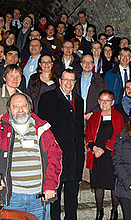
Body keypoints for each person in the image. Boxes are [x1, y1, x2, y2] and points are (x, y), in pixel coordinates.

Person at [0, 92, 62, 220]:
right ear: (9, 109)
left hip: (39, 196)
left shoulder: (42, 129)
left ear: (30, 108)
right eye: (15, 106)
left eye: (24, 106)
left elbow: (55, 157)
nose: (20, 110)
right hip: (12, 197)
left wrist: (50, 185)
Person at [38, 69, 85, 220]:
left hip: (74, 156)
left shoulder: (79, 100)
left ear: (75, 83)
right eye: (66, 80)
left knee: (72, 199)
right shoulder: (47, 98)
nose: (69, 83)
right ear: (59, 81)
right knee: (54, 198)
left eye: (72, 80)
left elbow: (79, 129)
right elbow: (44, 129)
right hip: (55, 156)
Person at [85, 90, 124, 220]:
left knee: (113, 185)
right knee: (98, 185)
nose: (104, 103)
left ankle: (114, 211)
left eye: (107, 100)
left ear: (112, 102)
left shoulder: (118, 116)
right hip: (97, 156)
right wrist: (94, 148)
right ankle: (99, 211)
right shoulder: (94, 117)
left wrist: (105, 148)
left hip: (112, 155)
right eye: (102, 100)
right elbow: (88, 135)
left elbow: (119, 135)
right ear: (98, 101)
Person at [74, 54, 108, 121]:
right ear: (81, 64)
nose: (87, 64)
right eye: (85, 62)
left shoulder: (100, 81)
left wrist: (93, 112)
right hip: (77, 116)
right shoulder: (74, 80)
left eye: (90, 62)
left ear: (93, 64)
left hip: (94, 117)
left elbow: (105, 100)